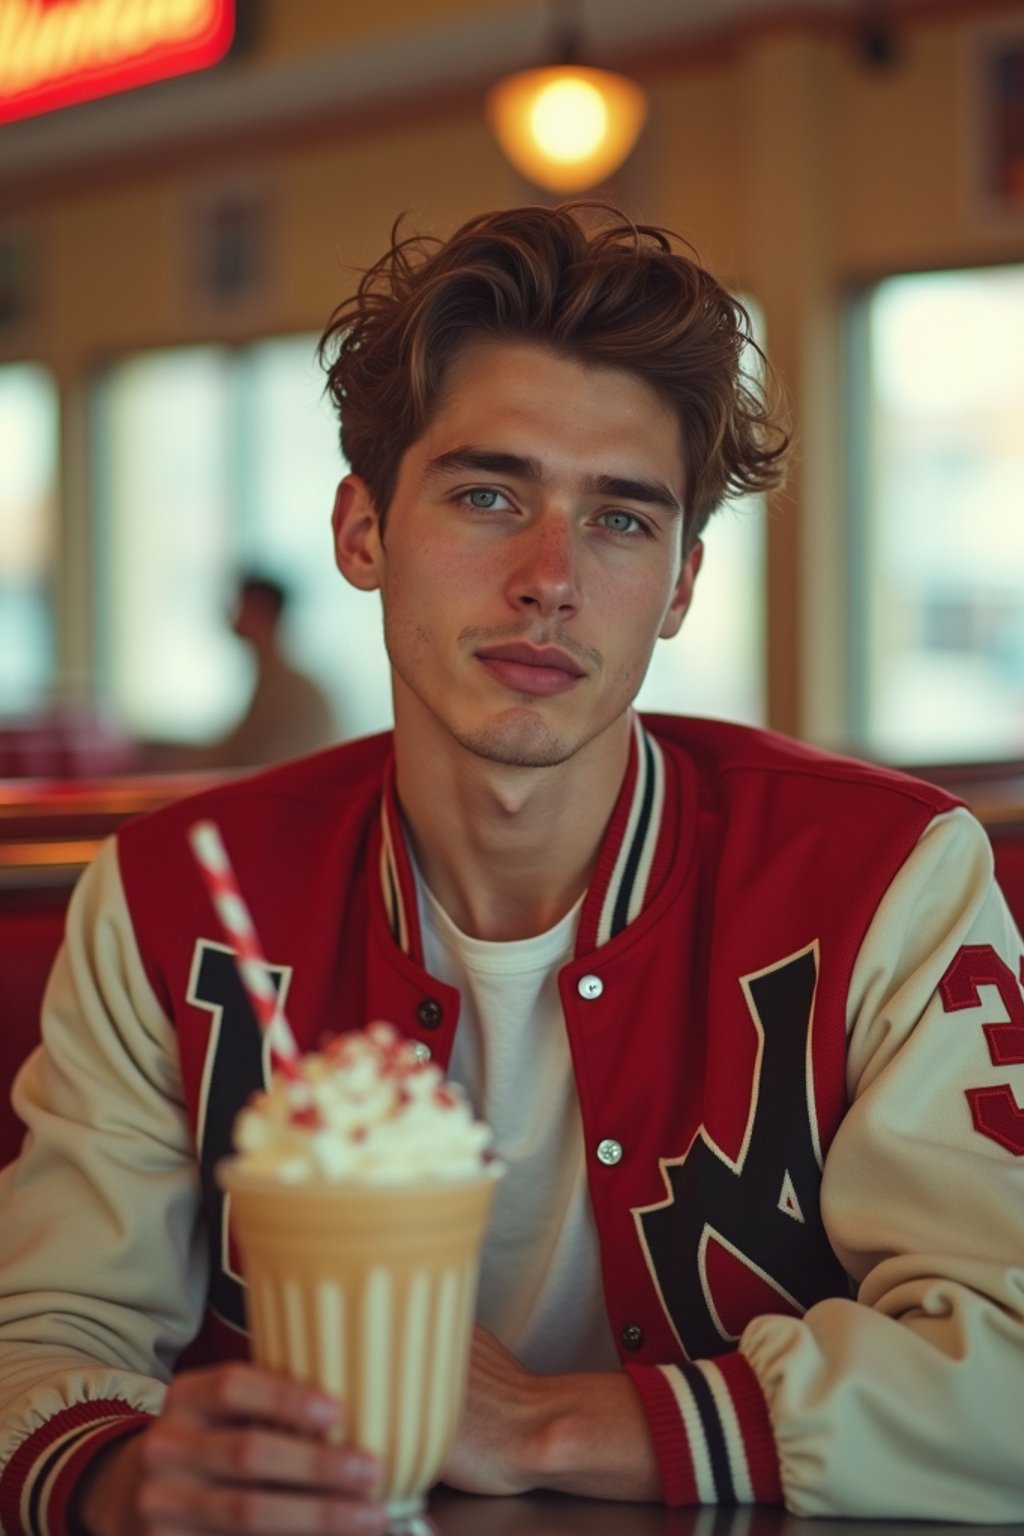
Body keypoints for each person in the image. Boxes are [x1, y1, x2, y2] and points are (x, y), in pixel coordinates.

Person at [0, 202, 1021, 1536]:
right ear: (362, 532)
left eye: (619, 521)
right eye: (489, 495)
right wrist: (133, 1481)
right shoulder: (169, 898)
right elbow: (41, 1337)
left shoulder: (886, 876)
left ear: (682, 585)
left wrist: (548, 1419)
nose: (551, 578)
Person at [138, 574, 337, 773]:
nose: (233, 613)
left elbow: (233, 756)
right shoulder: (277, 680)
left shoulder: (287, 688)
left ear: (261, 612)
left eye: (241, 604)